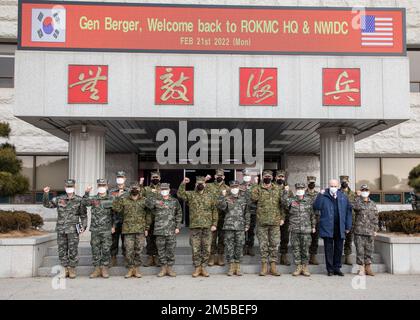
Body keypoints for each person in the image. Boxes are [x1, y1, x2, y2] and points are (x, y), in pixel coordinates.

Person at [43, 179, 87, 279]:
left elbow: (83, 215)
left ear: (74, 187)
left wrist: (83, 226)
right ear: (65, 187)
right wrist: (46, 194)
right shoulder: (59, 199)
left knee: (73, 249)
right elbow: (47, 204)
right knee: (62, 249)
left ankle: (72, 269)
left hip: (73, 230)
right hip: (61, 229)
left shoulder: (79, 200)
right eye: (67, 187)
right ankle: (65, 268)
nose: (69, 188)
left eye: (71, 187)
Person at [177, 176, 218, 277]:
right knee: (195, 248)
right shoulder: (191, 195)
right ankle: (197, 268)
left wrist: (214, 224)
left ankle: (203, 268)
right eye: (198, 183)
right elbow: (180, 194)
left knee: (207, 248)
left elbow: (214, 210)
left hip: (207, 226)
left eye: (202, 183)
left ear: (205, 184)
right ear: (196, 184)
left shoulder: (210, 196)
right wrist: (183, 183)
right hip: (195, 226)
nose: (200, 185)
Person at [313, 179, 352, 276]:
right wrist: (320, 195)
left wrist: (348, 226)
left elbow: (348, 212)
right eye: (331, 186)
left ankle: (337, 268)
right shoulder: (324, 195)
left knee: (339, 249)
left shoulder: (343, 196)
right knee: (328, 249)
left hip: (340, 227)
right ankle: (330, 269)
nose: (333, 188)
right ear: (328, 186)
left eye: (335, 186)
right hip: (328, 227)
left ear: (338, 186)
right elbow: (316, 206)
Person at [112, 183, 151, 278]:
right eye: (133, 188)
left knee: (139, 250)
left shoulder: (144, 200)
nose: (134, 190)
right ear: (130, 190)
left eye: (136, 188)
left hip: (140, 230)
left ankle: (136, 269)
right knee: (128, 250)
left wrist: (147, 228)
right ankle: (130, 269)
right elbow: (116, 208)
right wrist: (118, 197)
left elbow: (149, 213)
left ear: (139, 189)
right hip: (128, 230)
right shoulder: (124, 200)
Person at [251, 170, 285, 276]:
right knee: (263, 245)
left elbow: (282, 205)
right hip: (262, 221)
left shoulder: (278, 189)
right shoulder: (257, 188)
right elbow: (252, 199)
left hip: (275, 221)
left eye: (269, 176)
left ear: (272, 177)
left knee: (274, 244)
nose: (267, 177)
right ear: (262, 177)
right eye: (265, 176)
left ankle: (273, 266)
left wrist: (282, 218)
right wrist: (256, 185)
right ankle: (264, 265)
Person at [146, 183, 182, 277]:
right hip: (159, 230)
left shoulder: (174, 201)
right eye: (162, 189)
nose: (164, 191)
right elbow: (147, 205)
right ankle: (163, 268)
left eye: (166, 189)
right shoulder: (156, 201)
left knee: (171, 250)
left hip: (171, 230)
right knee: (160, 250)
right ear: (160, 190)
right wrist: (153, 195)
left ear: (169, 190)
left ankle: (169, 268)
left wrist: (178, 227)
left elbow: (179, 214)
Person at [282, 183, 316, 276]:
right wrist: (285, 191)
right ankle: (298, 267)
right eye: (298, 188)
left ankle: (305, 267)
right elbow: (283, 203)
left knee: (305, 249)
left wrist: (313, 226)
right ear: (295, 189)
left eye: (302, 188)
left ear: (304, 189)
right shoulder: (291, 200)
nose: (300, 189)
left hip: (306, 229)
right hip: (294, 229)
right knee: (296, 249)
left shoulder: (309, 200)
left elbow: (312, 215)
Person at [218, 180, 250, 276]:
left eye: (236, 187)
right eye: (232, 187)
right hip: (229, 226)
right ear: (230, 188)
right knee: (229, 246)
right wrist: (223, 196)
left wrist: (247, 224)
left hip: (240, 226)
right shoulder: (227, 198)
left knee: (239, 246)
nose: (234, 189)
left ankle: (238, 266)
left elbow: (247, 213)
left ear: (239, 188)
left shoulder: (244, 199)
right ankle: (231, 266)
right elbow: (222, 207)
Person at [83, 179, 114, 279]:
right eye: (100, 185)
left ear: (107, 186)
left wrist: (114, 226)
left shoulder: (111, 198)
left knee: (106, 249)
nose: (101, 186)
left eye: (103, 185)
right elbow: (84, 202)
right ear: (97, 186)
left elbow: (115, 214)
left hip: (106, 229)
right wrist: (87, 192)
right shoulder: (93, 198)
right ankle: (96, 269)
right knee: (95, 249)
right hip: (95, 229)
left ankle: (104, 268)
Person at [353, 184, 379, 276]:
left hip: (370, 231)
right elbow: (353, 207)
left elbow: (375, 217)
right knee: (360, 251)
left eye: (366, 190)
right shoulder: (357, 202)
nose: (365, 191)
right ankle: (361, 268)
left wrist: (375, 229)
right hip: (359, 231)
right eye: (363, 190)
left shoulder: (373, 203)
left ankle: (368, 268)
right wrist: (357, 196)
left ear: (369, 192)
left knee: (369, 250)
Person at [206, 168, 230, 267]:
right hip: (211, 217)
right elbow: (198, 190)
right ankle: (212, 257)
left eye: (221, 176)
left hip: (223, 217)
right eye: (217, 175)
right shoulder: (209, 186)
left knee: (222, 238)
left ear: (223, 177)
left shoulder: (228, 188)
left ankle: (220, 257)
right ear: (215, 176)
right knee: (212, 238)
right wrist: (205, 180)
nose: (219, 177)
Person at [109, 171, 130, 267]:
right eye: (118, 177)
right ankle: (113, 258)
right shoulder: (111, 192)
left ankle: (126, 258)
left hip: (125, 220)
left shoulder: (129, 192)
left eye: (122, 177)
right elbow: (109, 207)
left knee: (126, 241)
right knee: (113, 241)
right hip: (114, 220)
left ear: (125, 179)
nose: (120, 179)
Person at [141, 171, 161, 267]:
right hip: (148, 218)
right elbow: (140, 196)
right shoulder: (146, 189)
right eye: (153, 177)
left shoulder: (163, 189)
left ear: (160, 178)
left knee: (158, 239)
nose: (155, 179)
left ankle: (156, 257)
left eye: (157, 177)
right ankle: (150, 257)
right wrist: (140, 184)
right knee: (149, 239)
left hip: (160, 218)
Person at [276, 170, 293, 266]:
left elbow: (290, 204)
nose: (280, 178)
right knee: (273, 238)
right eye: (279, 177)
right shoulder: (272, 188)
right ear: (275, 177)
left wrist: (286, 193)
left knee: (285, 237)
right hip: (274, 216)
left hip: (285, 217)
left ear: (284, 178)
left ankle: (283, 256)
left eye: (282, 177)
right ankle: (273, 258)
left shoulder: (288, 190)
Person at [340, 175, 356, 265]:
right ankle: (338, 255)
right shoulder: (337, 193)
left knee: (349, 239)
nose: (344, 183)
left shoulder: (353, 194)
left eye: (346, 181)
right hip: (340, 220)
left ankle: (347, 256)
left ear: (348, 182)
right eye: (343, 181)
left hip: (351, 219)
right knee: (339, 238)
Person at [240, 169, 258, 256]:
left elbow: (258, 198)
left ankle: (250, 247)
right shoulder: (239, 186)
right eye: (245, 175)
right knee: (242, 230)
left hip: (252, 211)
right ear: (243, 176)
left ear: (250, 176)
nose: (246, 176)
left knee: (251, 230)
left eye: (248, 175)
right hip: (241, 212)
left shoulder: (255, 186)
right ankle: (243, 246)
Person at [305, 176, 320, 265]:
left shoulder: (318, 194)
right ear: (307, 183)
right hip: (305, 219)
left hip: (316, 219)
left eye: (313, 183)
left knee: (315, 239)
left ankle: (313, 257)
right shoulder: (303, 193)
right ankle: (305, 257)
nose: (312, 184)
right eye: (310, 183)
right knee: (305, 239)